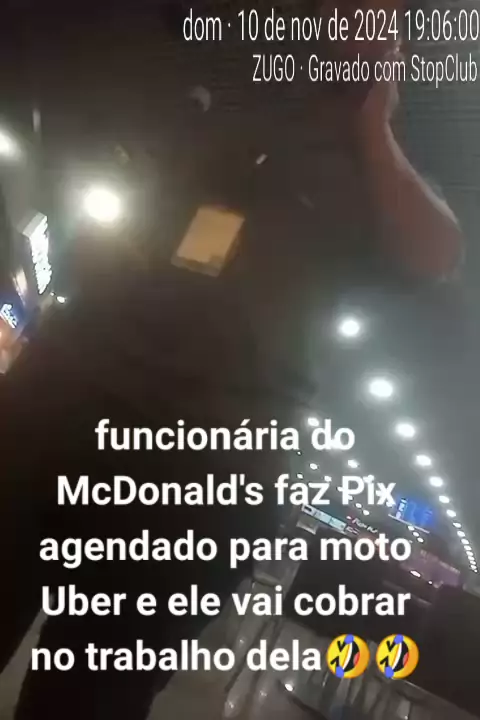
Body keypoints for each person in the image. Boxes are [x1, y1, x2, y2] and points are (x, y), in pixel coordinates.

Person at [0, 1, 462, 718]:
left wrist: (372, 121)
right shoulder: (222, 63)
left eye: (385, 15)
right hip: (73, 392)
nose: (363, 20)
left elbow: (435, 251)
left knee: (91, 693)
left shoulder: (373, 170)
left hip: (211, 460)